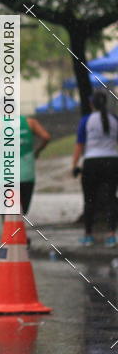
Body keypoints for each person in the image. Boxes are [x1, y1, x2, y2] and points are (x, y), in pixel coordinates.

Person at [73, 90, 118, 246]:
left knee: (89, 200)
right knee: (111, 199)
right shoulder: (114, 119)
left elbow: (80, 145)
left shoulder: (86, 120)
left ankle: (88, 235)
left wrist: (74, 165)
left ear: (92, 104)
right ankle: (112, 235)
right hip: (112, 162)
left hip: (91, 163)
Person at [19, 114, 51, 215]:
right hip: (27, 174)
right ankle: (18, 229)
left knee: (7, 212)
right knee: (22, 211)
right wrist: (37, 151)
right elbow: (46, 137)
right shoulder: (30, 122)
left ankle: (9, 230)